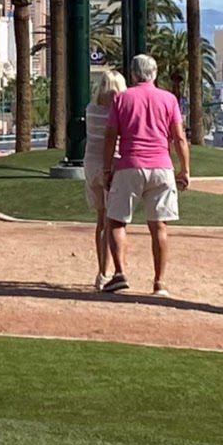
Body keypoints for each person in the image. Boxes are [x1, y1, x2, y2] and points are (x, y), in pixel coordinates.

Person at [100, 52, 191, 296]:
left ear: (133, 73)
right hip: (162, 166)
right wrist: (185, 170)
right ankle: (159, 282)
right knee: (159, 225)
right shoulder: (169, 99)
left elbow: (110, 137)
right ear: (155, 74)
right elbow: (179, 138)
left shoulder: (122, 99)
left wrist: (107, 168)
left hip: (129, 165)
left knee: (117, 221)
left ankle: (119, 273)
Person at [84, 69, 127, 292]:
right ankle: (112, 270)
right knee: (114, 221)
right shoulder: (119, 111)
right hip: (113, 166)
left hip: (91, 165)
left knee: (101, 221)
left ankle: (101, 272)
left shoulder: (91, 109)